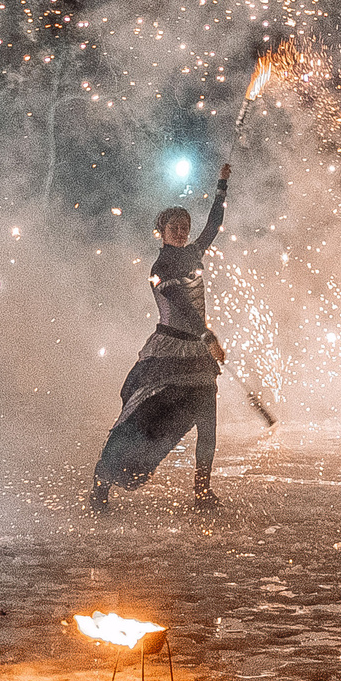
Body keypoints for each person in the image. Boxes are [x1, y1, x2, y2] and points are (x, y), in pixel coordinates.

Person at [89, 162, 233, 512]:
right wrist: (208, 336)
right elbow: (181, 304)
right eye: (174, 228)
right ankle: (102, 481)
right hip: (170, 352)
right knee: (143, 419)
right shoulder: (162, 267)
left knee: (208, 422)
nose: (181, 232)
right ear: (162, 232)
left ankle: (202, 492)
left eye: (185, 227)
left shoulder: (193, 253)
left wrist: (222, 185)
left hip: (197, 352)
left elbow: (214, 224)